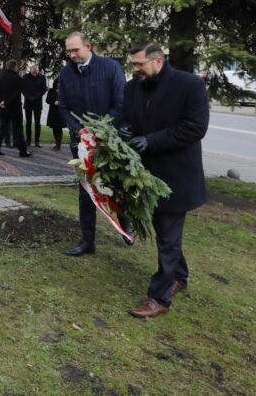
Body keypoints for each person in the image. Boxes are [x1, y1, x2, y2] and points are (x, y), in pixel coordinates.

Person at [119, 43, 209, 319]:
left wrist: (151, 141)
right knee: (164, 231)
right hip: (146, 176)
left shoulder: (190, 86)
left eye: (139, 65)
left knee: (168, 237)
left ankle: (159, 297)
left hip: (176, 177)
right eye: (133, 65)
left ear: (157, 61)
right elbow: (127, 117)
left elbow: (194, 128)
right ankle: (179, 276)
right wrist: (123, 129)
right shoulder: (133, 87)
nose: (135, 70)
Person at [58, 31, 132, 255]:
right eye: (68, 51)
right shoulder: (65, 73)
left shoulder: (110, 68)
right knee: (86, 192)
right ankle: (87, 241)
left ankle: (125, 225)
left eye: (75, 50)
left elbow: (120, 103)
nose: (72, 55)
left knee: (114, 186)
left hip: (109, 140)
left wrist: (101, 130)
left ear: (88, 46)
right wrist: (78, 130)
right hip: (81, 142)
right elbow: (62, 107)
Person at [0, 59, 32, 157]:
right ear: (14, 67)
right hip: (14, 108)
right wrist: (6, 102)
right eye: (17, 66)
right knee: (18, 130)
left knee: (2, 129)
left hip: (3, 108)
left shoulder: (0, 77)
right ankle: (22, 151)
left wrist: (0, 102)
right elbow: (16, 93)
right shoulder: (17, 78)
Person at [22, 64, 47, 147]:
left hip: (37, 102)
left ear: (38, 70)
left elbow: (44, 89)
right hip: (28, 102)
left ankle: (37, 141)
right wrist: (28, 97)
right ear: (30, 70)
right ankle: (28, 140)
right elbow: (22, 88)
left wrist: (36, 97)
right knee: (28, 123)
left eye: (36, 71)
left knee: (37, 123)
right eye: (33, 71)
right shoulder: (25, 77)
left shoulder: (42, 77)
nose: (34, 72)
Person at [45, 78, 64, 151]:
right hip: (53, 112)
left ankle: (59, 145)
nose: (59, 84)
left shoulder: (63, 91)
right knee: (54, 128)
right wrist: (53, 103)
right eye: (58, 83)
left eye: (60, 83)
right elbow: (47, 100)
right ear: (55, 83)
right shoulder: (51, 90)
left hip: (60, 112)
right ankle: (56, 143)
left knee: (59, 128)